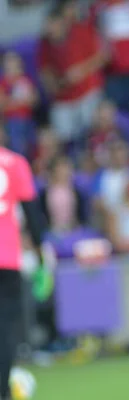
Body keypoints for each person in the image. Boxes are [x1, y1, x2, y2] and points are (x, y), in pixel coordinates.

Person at [0, 131, 47, 400]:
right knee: (4, 330)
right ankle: (3, 390)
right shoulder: (15, 163)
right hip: (6, 259)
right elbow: (32, 214)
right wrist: (41, 253)